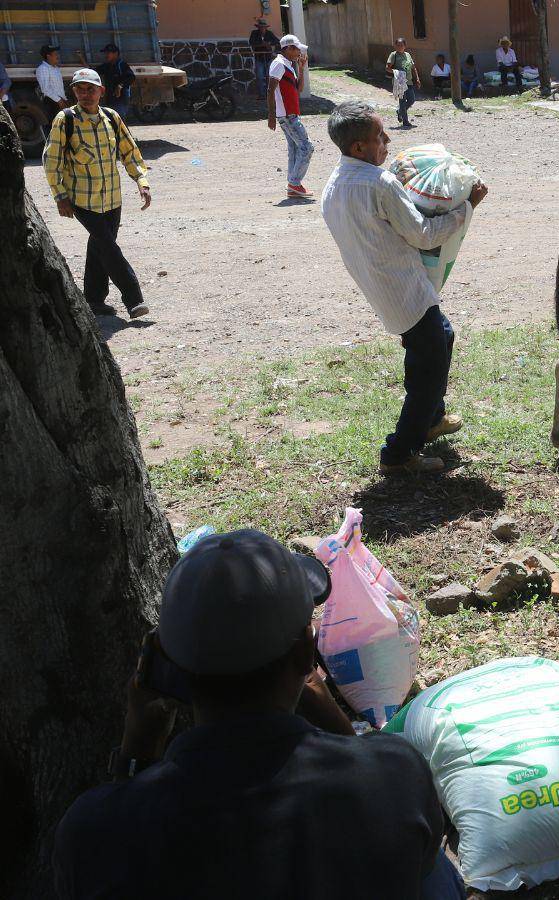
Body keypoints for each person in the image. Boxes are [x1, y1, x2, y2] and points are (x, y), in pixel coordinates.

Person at [52, 529, 466, 899]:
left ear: (168, 668)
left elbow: (119, 838)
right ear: (307, 655)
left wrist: (137, 751)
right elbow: (373, 781)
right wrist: (338, 727)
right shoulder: (395, 774)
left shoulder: (93, 830)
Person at [321, 100, 489, 475]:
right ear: (358, 148)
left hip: (383, 285)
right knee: (427, 367)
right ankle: (399, 453)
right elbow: (423, 234)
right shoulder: (378, 183)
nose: (387, 141)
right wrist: (467, 208)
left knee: (441, 337)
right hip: (403, 288)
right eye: (380, 136)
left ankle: (432, 418)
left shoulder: (333, 184)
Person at [43, 68, 152, 320]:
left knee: (99, 246)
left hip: (112, 199)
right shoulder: (65, 119)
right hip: (81, 200)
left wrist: (141, 181)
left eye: (90, 89)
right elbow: (51, 160)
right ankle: (134, 299)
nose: (85, 94)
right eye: (79, 89)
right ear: (74, 92)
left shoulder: (112, 118)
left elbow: (129, 152)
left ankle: (93, 300)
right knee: (108, 246)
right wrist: (60, 196)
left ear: (101, 92)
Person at [268, 35, 315, 200]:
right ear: (287, 48)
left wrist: (301, 68)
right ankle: (294, 183)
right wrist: (271, 115)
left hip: (291, 113)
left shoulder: (288, 65)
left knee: (295, 149)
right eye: (296, 49)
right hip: (287, 115)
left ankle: (293, 186)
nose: (299, 53)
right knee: (307, 147)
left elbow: (299, 89)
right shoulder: (279, 64)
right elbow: (270, 89)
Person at [386, 37, 420, 129]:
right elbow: (387, 68)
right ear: (395, 46)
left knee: (411, 100)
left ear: (405, 46)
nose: (400, 47)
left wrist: (417, 79)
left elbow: (413, 68)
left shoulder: (408, 55)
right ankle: (405, 121)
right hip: (399, 81)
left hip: (409, 81)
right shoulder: (393, 55)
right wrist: (396, 72)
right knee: (402, 101)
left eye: (402, 45)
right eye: (398, 45)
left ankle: (399, 111)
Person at [95, 43, 136, 118]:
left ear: (116, 54)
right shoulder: (107, 66)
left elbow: (131, 77)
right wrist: (81, 58)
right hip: (110, 98)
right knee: (112, 120)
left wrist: (120, 86)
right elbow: (93, 71)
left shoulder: (121, 65)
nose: (106, 55)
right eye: (105, 53)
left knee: (119, 119)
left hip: (121, 98)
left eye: (108, 53)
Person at [249, 17, 281, 101]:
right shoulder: (254, 33)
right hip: (259, 58)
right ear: (258, 27)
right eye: (261, 27)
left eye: (264, 27)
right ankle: (262, 94)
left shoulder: (269, 34)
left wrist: (269, 44)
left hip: (268, 58)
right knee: (260, 77)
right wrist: (262, 45)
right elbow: (252, 43)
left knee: (269, 76)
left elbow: (277, 41)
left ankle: (270, 94)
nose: (262, 28)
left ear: (266, 28)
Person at [37, 45, 69, 122]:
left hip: (59, 102)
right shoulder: (43, 69)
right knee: (55, 126)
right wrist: (59, 101)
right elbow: (46, 89)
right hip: (52, 103)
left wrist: (64, 99)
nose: (58, 56)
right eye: (55, 54)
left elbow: (59, 87)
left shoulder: (55, 68)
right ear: (48, 56)